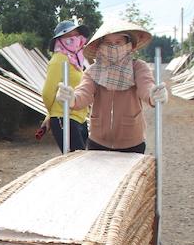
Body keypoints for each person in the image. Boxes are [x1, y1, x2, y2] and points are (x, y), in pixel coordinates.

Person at [56, 20, 168, 154]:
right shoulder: (93, 71)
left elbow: (146, 86)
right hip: (98, 141)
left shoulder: (138, 67)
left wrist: (153, 95)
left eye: (118, 42)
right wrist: (72, 98)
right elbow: (84, 93)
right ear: (101, 46)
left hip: (132, 142)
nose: (113, 47)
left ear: (129, 45)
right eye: (108, 43)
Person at [41, 20, 91, 152]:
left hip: (80, 117)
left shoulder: (76, 61)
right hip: (65, 117)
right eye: (68, 36)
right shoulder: (58, 60)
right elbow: (47, 93)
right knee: (76, 162)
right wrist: (52, 114)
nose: (73, 39)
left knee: (80, 161)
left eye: (76, 35)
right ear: (59, 40)